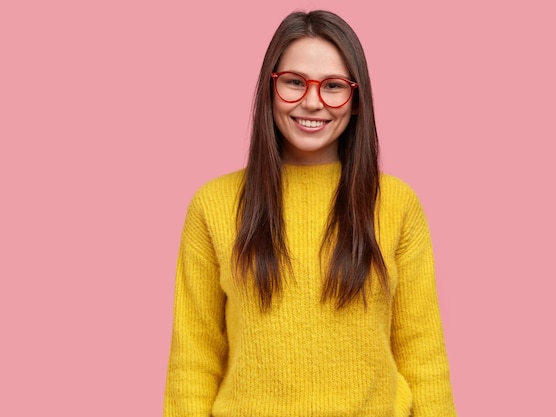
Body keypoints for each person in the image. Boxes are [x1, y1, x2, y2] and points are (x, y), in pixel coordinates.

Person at [163, 10, 457, 417]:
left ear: (356, 101)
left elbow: (422, 356)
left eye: (334, 86)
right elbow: (193, 362)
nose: (313, 101)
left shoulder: (396, 204)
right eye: (295, 82)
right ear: (270, 88)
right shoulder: (213, 205)